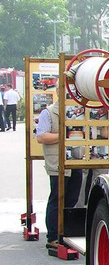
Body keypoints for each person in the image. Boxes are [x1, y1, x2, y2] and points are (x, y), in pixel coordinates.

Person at [35, 101, 82, 249]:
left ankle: (65, 233)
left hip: (76, 160)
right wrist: (64, 135)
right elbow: (41, 137)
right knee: (57, 198)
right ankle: (53, 236)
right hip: (57, 162)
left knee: (72, 197)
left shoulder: (77, 111)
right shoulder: (48, 113)